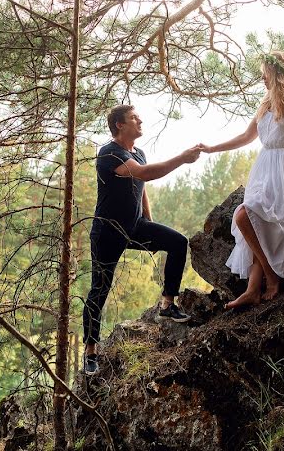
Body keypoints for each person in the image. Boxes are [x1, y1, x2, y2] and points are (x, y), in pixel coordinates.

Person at [199, 50, 284, 308]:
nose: (262, 79)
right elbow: (245, 137)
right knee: (258, 224)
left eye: (265, 74)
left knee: (244, 217)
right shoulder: (265, 104)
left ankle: (272, 277)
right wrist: (213, 148)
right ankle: (252, 290)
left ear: (277, 73)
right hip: (263, 170)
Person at [83, 105, 202, 375]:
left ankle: (167, 304)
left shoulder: (138, 153)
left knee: (177, 242)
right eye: (134, 118)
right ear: (119, 125)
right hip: (108, 233)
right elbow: (145, 173)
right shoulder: (109, 153)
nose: (140, 120)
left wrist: (148, 220)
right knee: (99, 290)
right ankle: (90, 350)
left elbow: (142, 186)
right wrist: (182, 158)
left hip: (135, 227)